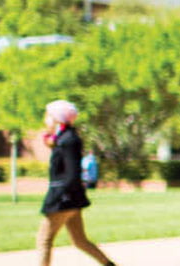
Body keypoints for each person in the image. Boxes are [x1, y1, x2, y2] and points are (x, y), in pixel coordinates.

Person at [35, 100, 115, 266]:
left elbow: (72, 173)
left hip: (63, 199)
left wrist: (62, 197)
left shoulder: (69, 139)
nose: (45, 118)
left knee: (44, 240)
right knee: (80, 240)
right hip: (70, 198)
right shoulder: (64, 138)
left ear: (58, 117)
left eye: (48, 114)